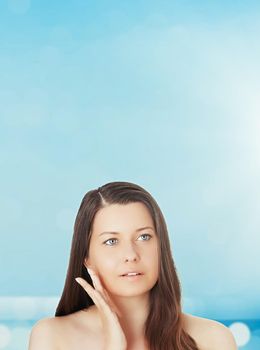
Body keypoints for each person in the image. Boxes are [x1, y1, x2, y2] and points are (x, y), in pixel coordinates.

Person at [28, 181, 237, 350]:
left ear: (161, 247)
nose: (130, 255)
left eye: (144, 237)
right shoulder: (53, 337)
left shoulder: (212, 339)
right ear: (86, 257)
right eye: (111, 241)